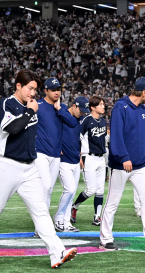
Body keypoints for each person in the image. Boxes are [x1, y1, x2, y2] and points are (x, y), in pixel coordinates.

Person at [0, 70, 77, 268]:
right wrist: (30, 111)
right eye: (30, 88)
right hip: (6, 164)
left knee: (41, 211)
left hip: (29, 167)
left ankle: (57, 252)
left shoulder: (33, 105)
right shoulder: (5, 104)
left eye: (35, 89)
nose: (33, 93)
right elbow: (12, 129)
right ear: (18, 86)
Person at [99, 77, 145, 252]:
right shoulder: (120, 106)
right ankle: (105, 239)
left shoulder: (143, 109)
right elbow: (116, 135)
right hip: (121, 164)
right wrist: (124, 157)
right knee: (113, 201)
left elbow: (142, 137)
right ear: (144, 92)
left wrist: (144, 158)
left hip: (139, 164)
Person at [35, 78, 79, 210]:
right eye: (53, 90)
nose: (57, 92)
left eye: (58, 89)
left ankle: (42, 226)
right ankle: (41, 224)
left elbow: (72, 123)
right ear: (46, 91)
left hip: (55, 154)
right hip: (40, 152)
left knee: (48, 190)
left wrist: (59, 108)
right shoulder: (38, 105)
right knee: (45, 186)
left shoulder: (62, 107)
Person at [53, 97, 90, 232]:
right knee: (69, 189)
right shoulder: (61, 111)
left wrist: (79, 155)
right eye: (80, 110)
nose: (82, 113)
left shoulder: (79, 119)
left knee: (72, 192)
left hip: (75, 158)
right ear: (73, 105)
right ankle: (58, 218)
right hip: (63, 160)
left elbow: (76, 139)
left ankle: (66, 221)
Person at [71, 96, 107, 226]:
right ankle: (74, 206)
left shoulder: (103, 121)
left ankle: (97, 217)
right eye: (100, 104)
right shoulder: (86, 120)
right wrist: (78, 155)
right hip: (89, 157)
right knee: (91, 190)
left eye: (103, 104)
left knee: (100, 190)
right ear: (92, 107)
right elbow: (78, 138)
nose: (103, 106)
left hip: (101, 158)